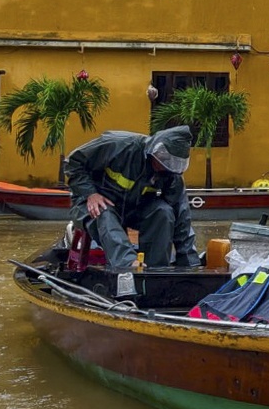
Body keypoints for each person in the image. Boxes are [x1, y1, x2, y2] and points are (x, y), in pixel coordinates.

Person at [63, 126, 205, 295]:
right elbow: (73, 163)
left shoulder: (170, 175)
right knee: (104, 212)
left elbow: (182, 218)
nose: (165, 167)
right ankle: (127, 265)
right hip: (93, 202)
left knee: (164, 212)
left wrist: (191, 266)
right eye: (164, 160)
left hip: (133, 210)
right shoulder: (118, 144)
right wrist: (90, 193)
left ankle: (155, 275)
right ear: (155, 151)